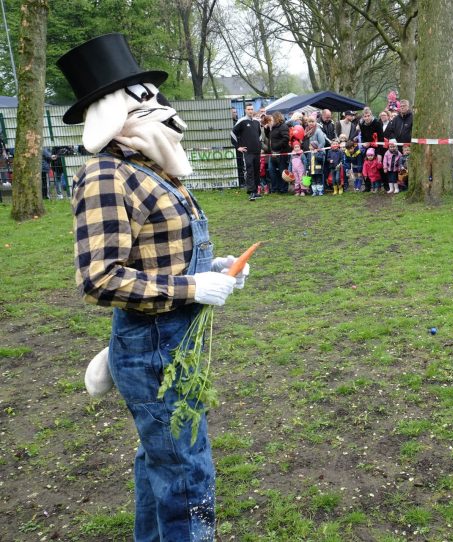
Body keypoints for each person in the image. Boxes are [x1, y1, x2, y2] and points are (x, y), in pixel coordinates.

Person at [60, 33, 248, 542]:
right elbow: (99, 278)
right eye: (144, 98)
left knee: (162, 462)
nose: (161, 107)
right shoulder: (106, 175)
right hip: (154, 346)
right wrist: (191, 288)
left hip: (175, 341)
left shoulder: (151, 166)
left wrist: (218, 267)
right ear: (114, 112)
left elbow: (162, 251)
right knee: (186, 474)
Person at [232, 103, 262, 200]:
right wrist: (238, 147)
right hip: (248, 152)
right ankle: (251, 192)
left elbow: (260, 136)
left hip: (257, 151)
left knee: (257, 171)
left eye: (252, 109)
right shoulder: (242, 121)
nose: (250, 111)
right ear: (245, 110)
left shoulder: (257, 122)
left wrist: (260, 146)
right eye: (248, 109)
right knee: (250, 171)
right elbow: (232, 133)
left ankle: (256, 191)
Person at [268, 111, 291, 194]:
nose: (271, 120)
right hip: (273, 153)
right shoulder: (273, 127)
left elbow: (286, 138)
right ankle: (274, 188)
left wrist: (276, 147)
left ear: (276, 118)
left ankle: (283, 189)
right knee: (272, 170)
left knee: (282, 171)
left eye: (272, 118)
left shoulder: (283, 126)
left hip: (281, 152)